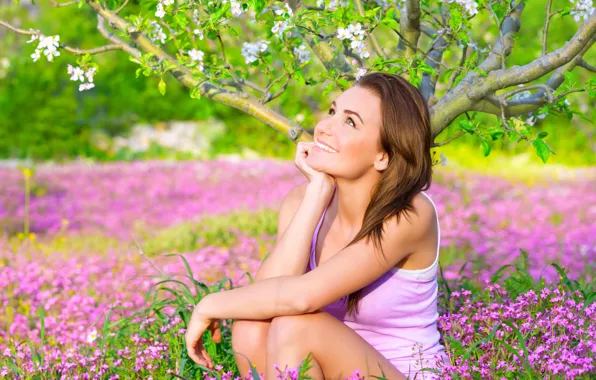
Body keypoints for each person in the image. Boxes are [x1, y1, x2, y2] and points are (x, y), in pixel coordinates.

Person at [185, 72, 448, 379]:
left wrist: (208, 304)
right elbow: (268, 293)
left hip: (404, 373)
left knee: (297, 325)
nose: (323, 128)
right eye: (332, 112)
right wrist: (317, 194)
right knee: (251, 324)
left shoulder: (409, 214)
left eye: (350, 122)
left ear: (383, 155)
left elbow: (301, 297)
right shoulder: (301, 201)